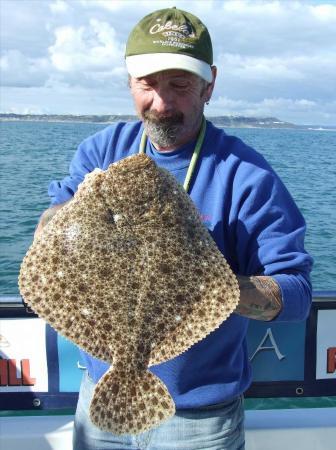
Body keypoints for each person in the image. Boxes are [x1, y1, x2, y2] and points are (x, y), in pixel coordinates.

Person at [35, 7, 313, 450]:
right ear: (130, 83)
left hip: (201, 422)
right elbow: (48, 234)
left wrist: (206, 290)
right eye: (148, 84)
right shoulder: (101, 150)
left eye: (180, 85)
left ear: (209, 85)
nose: (161, 103)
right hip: (98, 399)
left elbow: (296, 295)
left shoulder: (249, 177)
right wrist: (73, 211)